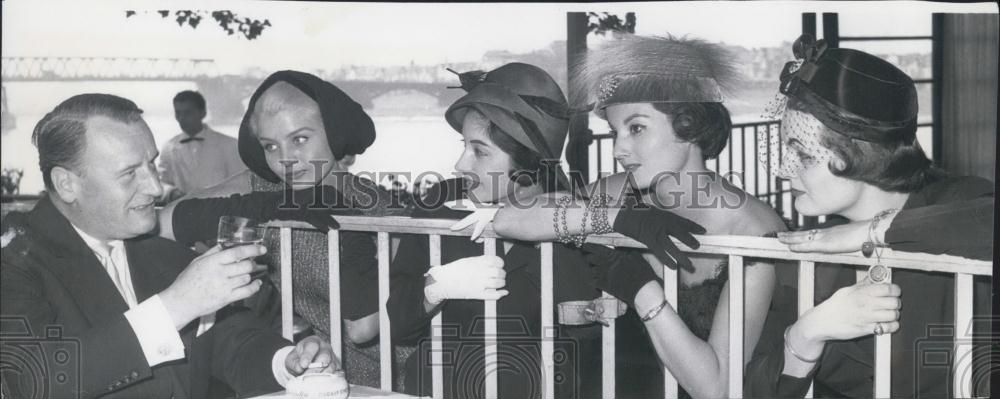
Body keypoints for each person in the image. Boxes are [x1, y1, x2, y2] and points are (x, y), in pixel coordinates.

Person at [484, 35, 787, 398]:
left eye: (636, 128)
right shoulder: (618, 194)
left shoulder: (755, 230)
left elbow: (716, 387)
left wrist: (643, 291)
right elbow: (507, 219)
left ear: (688, 125)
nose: (617, 149)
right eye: (615, 131)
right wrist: (612, 220)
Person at [0, 93, 336, 399]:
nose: (156, 187)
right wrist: (176, 304)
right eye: (130, 173)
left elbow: (225, 340)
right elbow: (33, 380)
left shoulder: (155, 248)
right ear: (67, 184)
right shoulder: (14, 263)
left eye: (151, 163)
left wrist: (288, 360)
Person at [744, 35, 993, 398]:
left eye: (804, 154)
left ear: (858, 152)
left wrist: (875, 231)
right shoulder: (808, 261)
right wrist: (807, 334)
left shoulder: (962, 203)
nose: (784, 169)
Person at [158, 70, 411, 389]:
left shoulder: (377, 207)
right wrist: (273, 204)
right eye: (270, 146)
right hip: (323, 374)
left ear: (333, 133)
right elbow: (166, 220)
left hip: (404, 377)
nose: (286, 160)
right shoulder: (267, 189)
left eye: (300, 139)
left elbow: (363, 327)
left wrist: (348, 228)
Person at [386, 63, 604, 399]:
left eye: (479, 151)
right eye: (464, 144)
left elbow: (585, 347)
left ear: (528, 163)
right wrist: (437, 286)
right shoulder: (441, 202)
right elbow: (399, 324)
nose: (460, 164)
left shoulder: (568, 220)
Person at [158, 90, 246, 201]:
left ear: (202, 113)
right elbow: (161, 183)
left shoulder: (230, 145)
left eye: (187, 113)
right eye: (178, 113)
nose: (181, 119)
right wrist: (171, 192)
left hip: (221, 212)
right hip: (182, 211)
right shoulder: (169, 147)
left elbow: (242, 183)